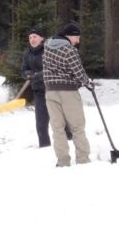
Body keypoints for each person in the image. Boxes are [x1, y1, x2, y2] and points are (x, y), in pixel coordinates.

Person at [42, 22, 93, 166]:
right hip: (68, 92)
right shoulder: (69, 50)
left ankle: (63, 161)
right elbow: (78, 72)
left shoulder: (47, 47)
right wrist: (88, 83)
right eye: (77, 37)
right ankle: (83, 159)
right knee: (77, 126)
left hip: (50, 92)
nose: (78, 41)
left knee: (57, 128)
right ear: (70, 36)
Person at [20, 27, 51, 148]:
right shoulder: (27, 52)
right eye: (30, 37)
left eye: (35, 36)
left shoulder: (48, 50)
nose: (32, 39)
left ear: (42, 38)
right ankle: (44, 147)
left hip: (52, 89)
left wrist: (36, 75)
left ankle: (69, 142)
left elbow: (51, 69)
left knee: (60, 121)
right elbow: (23, 70)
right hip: (38, 91)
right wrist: (27, 74)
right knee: (41, 123)